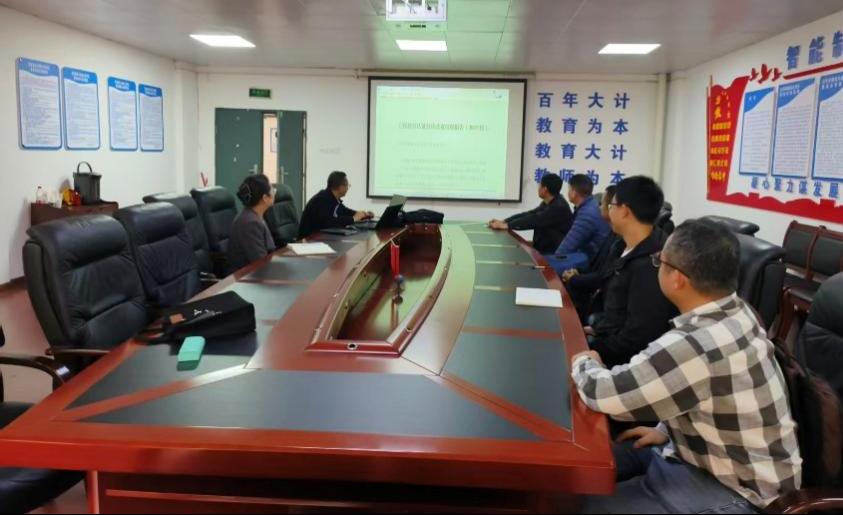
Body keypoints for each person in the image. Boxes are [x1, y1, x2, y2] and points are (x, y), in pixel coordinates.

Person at [572, 220, 802, 514]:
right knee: (585, 469)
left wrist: (583, 360)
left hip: (739, 493)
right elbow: (703, 388)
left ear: (677, 279)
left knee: (579, 503)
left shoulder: (696, 343)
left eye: (660, 261)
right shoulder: (737, 311)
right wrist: (666, 429)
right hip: (706, 458)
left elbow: (605, 395)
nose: (657, 266)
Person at [585, 176, 677, 368]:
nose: (608, 210)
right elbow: (617, 308)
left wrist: (594, 350)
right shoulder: (621, 245)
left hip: (624, 364)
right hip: (608, 336)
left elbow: (638, 337)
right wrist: (597, 329)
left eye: (611, 205)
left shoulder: (653, 264)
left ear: (624, 210)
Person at [563, 185, 623, 318]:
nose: (599, 208)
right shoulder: (613, 233)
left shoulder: (620, 240)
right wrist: (578, 272)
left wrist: (574, 278)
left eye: (602, 204)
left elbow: (602, 277)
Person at [488, 173, 572, 254]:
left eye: (539, 185)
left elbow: (534, 220)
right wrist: (504, 222)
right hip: (544, 249)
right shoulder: (550, 201)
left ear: (545, 189)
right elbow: (531, 214)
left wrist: (507, 225)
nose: (538, 188)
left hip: (554, 254)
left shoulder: (559, 207)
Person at [544, 174, 611, 274]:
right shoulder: (589, 205)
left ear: (574, 193)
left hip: (593, 264)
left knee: (547, 265)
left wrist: (551, 263)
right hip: (588, 256)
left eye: (569, 189)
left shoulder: (587, 214)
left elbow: (567, 247)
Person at [298, 171, 374, 239]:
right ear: (341, 187)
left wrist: (363, 215)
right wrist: (353, 218)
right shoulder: (322, 200)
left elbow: (345, 211)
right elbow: (329, 222)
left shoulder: (333, 198)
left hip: (322, 237)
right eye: (347, 185)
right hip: (309, 240)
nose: (348, 188)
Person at [227, 174, 276, 273]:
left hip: (257, 273)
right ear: (265, 198)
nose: (275, 191)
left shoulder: (254, 215)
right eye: (272, 189)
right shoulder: (250, 223)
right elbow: (261, 263)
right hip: (247, 277)